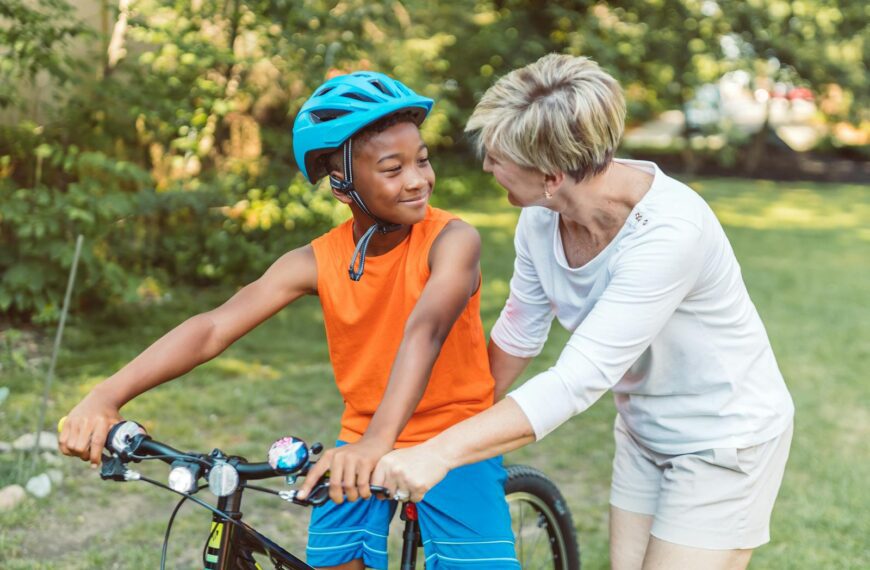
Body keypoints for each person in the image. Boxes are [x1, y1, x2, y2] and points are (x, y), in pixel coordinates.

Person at [58, 71, 518, 570]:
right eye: (392, 168)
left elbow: (425, 330)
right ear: (342, 185)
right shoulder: (316, 260)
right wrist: (106, 395)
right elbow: (213, 327)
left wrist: (377, 444)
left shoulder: (453, 240)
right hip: (362, 436)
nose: (417, 179)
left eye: (421, 161)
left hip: (453, 434)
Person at [372, 54, 795, 570]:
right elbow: (521, 329)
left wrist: (439, 453)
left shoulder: (669, 234)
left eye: (497, 156)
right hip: (643, 432)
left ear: (552, 175)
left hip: (725, 440)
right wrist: (448, 424)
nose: (485, 165)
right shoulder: (540, 218)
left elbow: (576, 381)